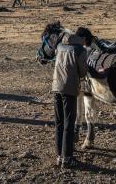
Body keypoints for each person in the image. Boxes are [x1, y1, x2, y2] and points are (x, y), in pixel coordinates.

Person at [52, 29, 88, 168]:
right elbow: (83, 71)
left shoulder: (60, 46)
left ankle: (59, 156)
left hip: (56, 87)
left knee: (59, 122)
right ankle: (67, 158)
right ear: (82, 39)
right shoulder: (80, 50)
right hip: (70, 89)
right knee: (69, 122)